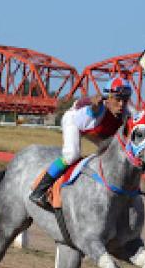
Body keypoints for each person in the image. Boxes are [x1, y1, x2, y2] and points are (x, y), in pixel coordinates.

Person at [28, 75, 137, 210]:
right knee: (72, 155)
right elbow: (93, 109)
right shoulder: (98, 108)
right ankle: (39, 190)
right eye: (118, 99)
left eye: (125, 100)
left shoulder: (127, 113)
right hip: (74, 122)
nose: (121, 104)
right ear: (108, 99)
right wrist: (94, 106)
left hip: (95, 130)